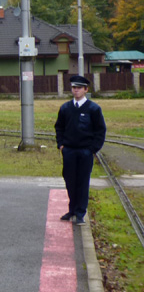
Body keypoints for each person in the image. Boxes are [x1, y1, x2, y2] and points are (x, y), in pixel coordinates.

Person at [54, 74, 106, 225]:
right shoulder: (65, 108)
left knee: (82, 182)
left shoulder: (93, 109)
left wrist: (93, 149)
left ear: (85, 89)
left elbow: (100, 130)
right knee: (70, 181)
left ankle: (80, 212)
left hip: (85, 151)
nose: (75, 90)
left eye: (78, 88)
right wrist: (61, 145)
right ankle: (72, 209)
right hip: (69, 151)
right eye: (73, 88)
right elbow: (59, 127)